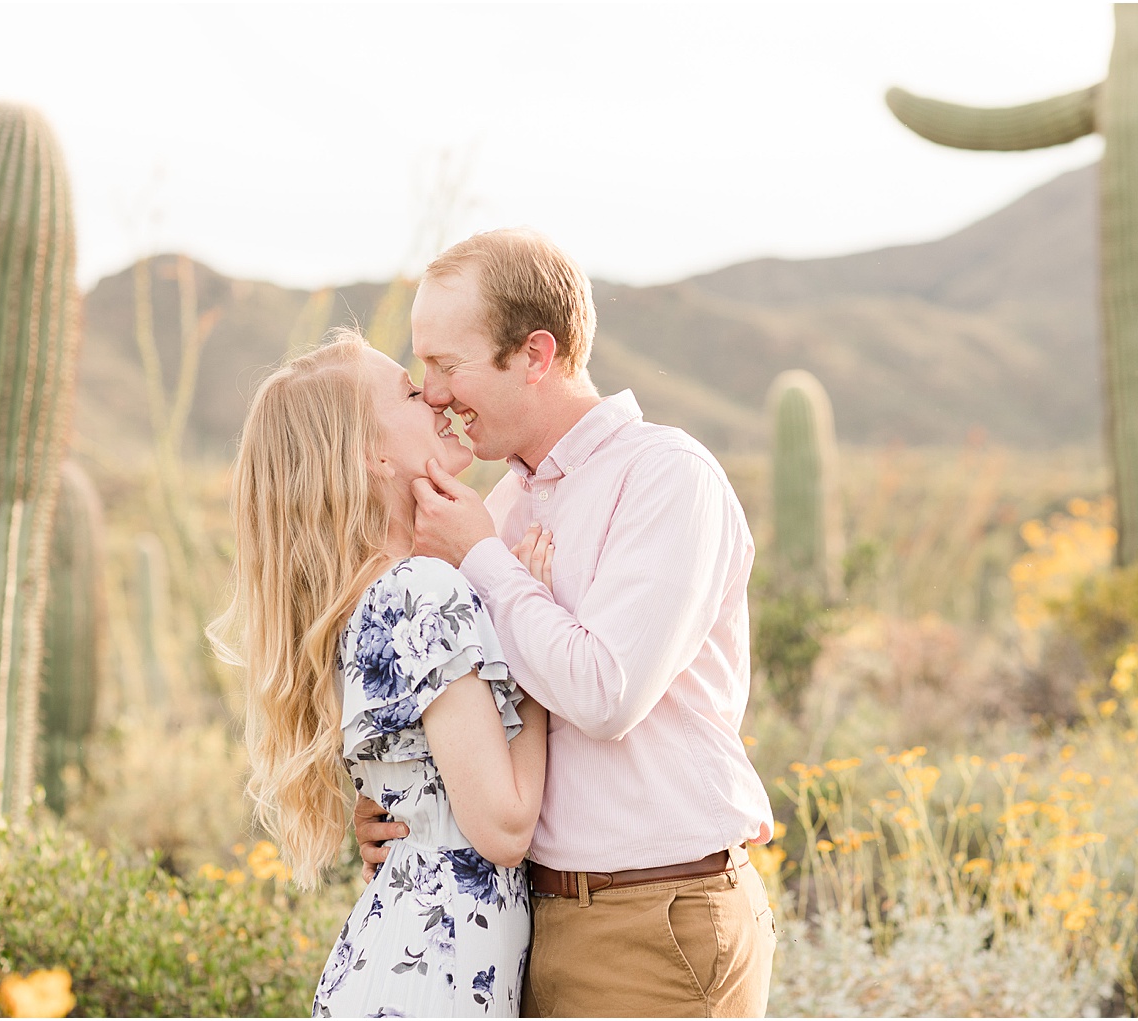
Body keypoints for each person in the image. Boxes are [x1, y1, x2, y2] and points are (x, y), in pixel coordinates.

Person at [354, 228, 777, 1017]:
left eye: (449, 364)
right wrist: (396, 802)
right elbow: (482, 707)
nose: (434, 392)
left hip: (654, 920)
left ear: (536, 355)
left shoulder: (665, 478)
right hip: (523, 925)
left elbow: (606, 692)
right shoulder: (502, 507)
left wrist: (484, 558)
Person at [208, 331, 552, 1017]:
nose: (432, 392)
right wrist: (534, 634)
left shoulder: (368, 599)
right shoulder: (423, 590)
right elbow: (506, 828)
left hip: (397, 969)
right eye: (406, 390)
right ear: (372, 454)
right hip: (433, 988)